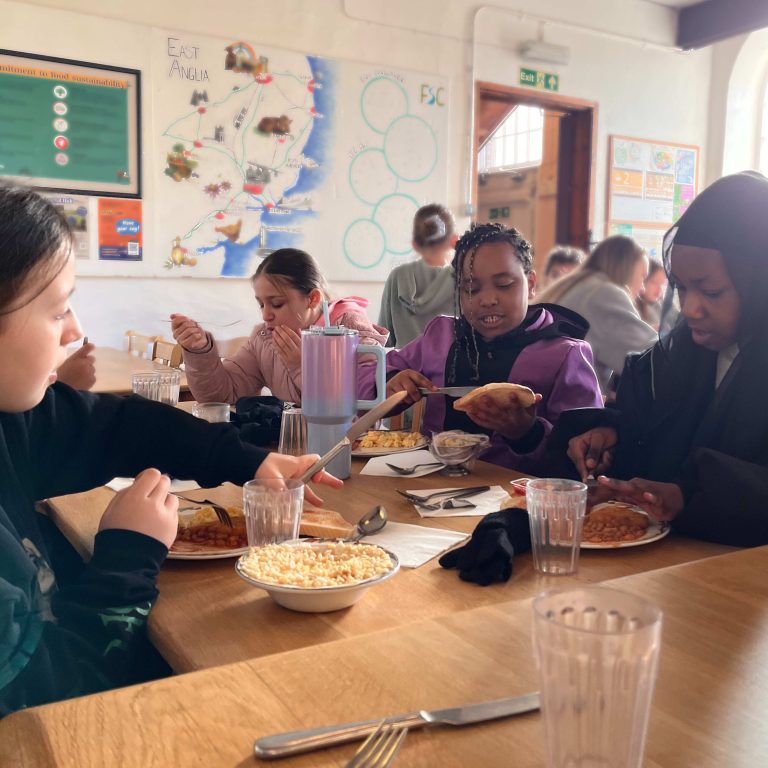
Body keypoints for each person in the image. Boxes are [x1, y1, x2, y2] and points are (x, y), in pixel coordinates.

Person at [0, 185, 341, 717]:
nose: (76, 330)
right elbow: (46, 698)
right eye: (58, 309)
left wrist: (250, 459)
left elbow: (117, 426)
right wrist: (129, 553)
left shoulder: (14, 419)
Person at [564, 171, 768, 547]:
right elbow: (659, 446)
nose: (689, 309)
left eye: (711, 292)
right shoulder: (672, 359)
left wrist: (688, 494)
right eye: (681, 287)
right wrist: (615, 439)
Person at [358, 222, 603, 474]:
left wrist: (527, 433)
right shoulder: (441, 336)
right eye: (471, 289)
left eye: (504, 284)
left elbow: (584, 453)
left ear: (530, 284)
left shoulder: (564, 353)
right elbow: (364, 375)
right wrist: (390, 383)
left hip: (516, 494)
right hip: (429, 483)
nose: (487, 300)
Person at [171, 248, 388, 404]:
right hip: (288, 447)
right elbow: (222, 396)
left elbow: (365, 406)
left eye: (276, 303)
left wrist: (301, 367)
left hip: (352, 449)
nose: (266, 315)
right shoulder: (264, 338)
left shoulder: (351, 331)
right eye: (261, 304)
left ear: (312, 299)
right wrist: (199, 351)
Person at [535, 235, 657, 393]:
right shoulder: (604, 294)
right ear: (626, 270)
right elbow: (649, 361)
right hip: (570, 404)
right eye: (642, 277)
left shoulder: (579, 285)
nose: (642, 289)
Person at [378, 204, 457, 348]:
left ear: (415, 244)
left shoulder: (397, 277)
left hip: (404, 363)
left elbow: (384, 339)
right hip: (452, 363)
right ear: (454, 241)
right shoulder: (463, 279)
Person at [635, 258, 667, 330]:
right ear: (643, 280)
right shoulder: (634, 308)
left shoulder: (660, 304)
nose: (659, 289)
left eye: (662, 284)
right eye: (654, 282)